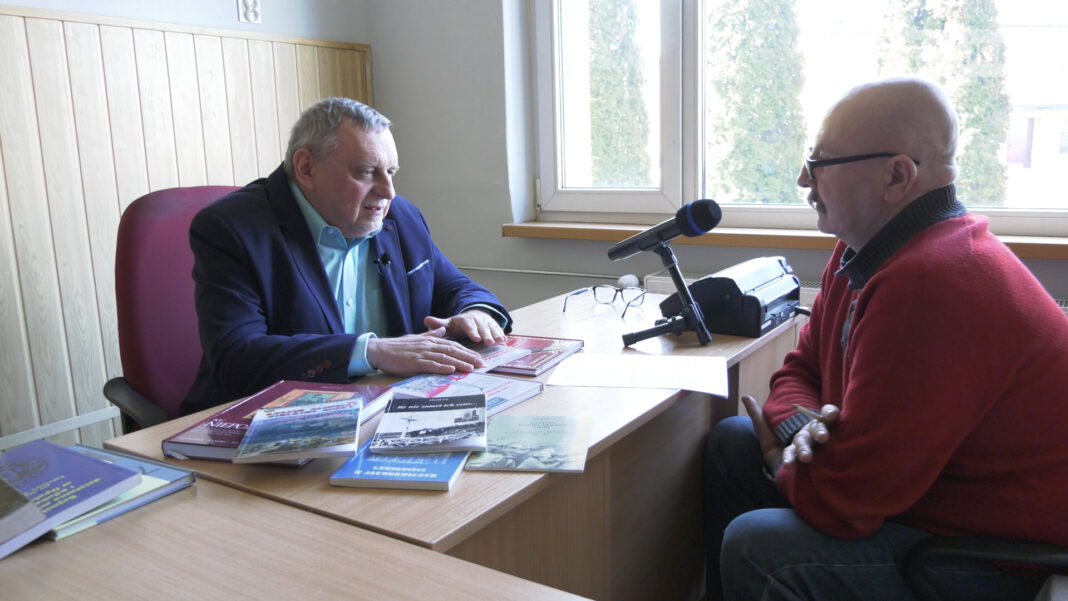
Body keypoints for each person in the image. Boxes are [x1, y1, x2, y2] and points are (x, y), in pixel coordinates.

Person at [703, 77, 1068, 601]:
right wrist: (802, 428)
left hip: (1000, 553)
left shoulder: (937, 282)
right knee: (731, 443)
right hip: (927, 499)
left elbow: (846, 503)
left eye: (822, 162)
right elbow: (801, 371)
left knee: (756, 548)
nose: (804, 177)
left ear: (896, 176)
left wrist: (783, 459)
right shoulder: (865, 252)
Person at [181, 97, 511, 415]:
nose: (388, 192)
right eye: (367, 172)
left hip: (376, 412)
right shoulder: (233, 229)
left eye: (391, 172)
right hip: (261, 422)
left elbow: (456, 288)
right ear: (307, 168)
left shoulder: (400, 218)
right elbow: (238, 357)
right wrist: (372, 351)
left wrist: (476, 312)